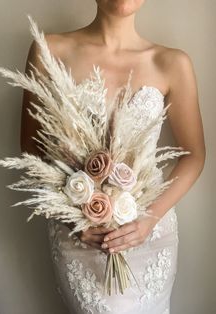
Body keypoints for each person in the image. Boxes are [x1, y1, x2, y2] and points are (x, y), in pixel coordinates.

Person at [21, 1, 206, 313]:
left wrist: (150, 219)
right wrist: (73, 220)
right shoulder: (49, 49)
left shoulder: (172, 62)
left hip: (149, 234)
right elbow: (31, 149)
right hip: (79, 237)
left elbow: (194, 155)